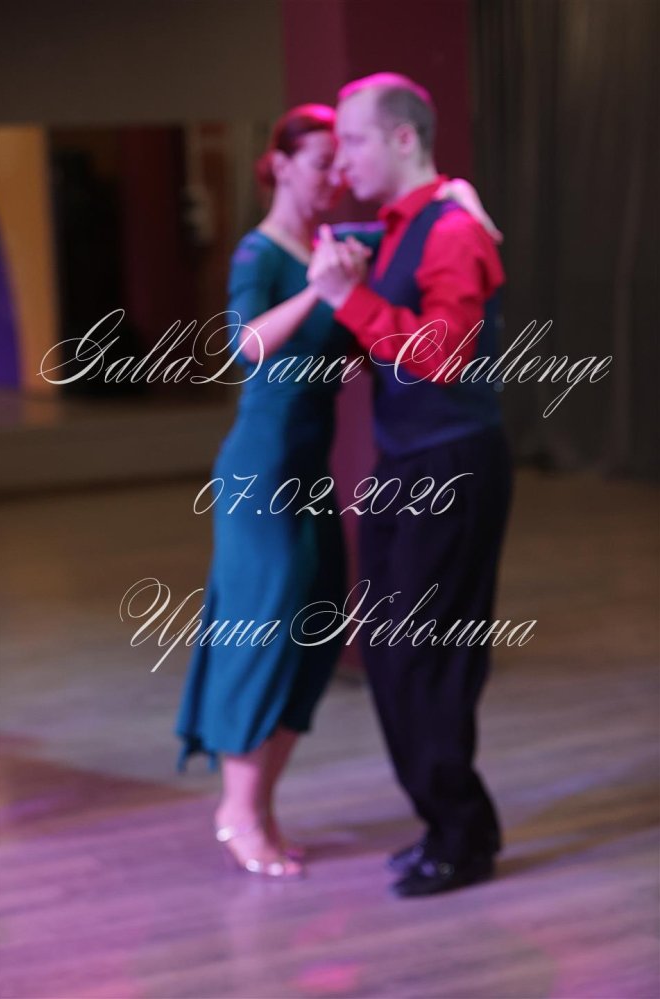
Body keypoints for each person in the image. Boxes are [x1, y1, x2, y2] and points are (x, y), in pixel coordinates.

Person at [175, 101, 502, 881]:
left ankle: (262, 805)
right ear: (282, 165)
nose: (338, 173)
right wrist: (321, 293)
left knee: (315, 635)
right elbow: (245, 344)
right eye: (323, 160)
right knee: (259, 630)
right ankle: (237, 811)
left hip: (311, 471)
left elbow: (431, 224)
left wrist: (462, 195)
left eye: (343, 156)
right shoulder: (262, 252)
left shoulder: (343, 245)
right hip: (261, 469)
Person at [308, 73, 512, 897]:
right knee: (393, 652)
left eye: (354, 140)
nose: (341, 160)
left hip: (451, 464)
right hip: (407, 462)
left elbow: (442, 354)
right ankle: (446, 821)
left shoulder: (453, 230)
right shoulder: (401, 227)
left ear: (402, 138)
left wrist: (349, 299)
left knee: (428, 655)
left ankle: (462, 835)